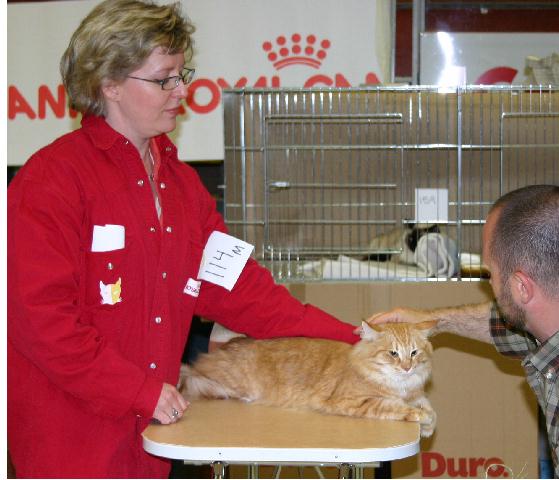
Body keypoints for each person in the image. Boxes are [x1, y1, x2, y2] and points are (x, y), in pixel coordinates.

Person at [7, 1, 358, 477]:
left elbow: (244, 292)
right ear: (109, 84)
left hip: (158, 438)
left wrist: (359, 338)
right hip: (73, 443)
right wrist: (138, 391)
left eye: (181, 74)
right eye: (163, 79)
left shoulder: (183, 187)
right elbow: (40, 323)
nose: (182, 90)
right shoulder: (50, 182)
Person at [368, 185, 559, 479]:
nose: (490, 284)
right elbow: (506, 324)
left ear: (521, 288)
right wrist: (433, 321)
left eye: (490, 274)